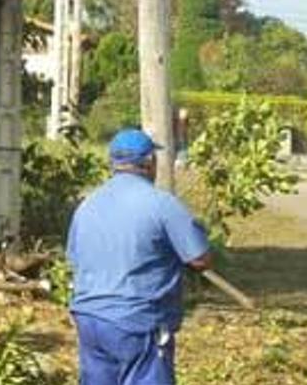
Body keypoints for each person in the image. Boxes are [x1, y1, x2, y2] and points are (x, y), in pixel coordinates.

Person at [66, 128, 212, 385]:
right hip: (136, 323)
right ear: (149, 163)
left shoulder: (87, 205)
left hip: (89, 319)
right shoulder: (162, 204)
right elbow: (200, 259)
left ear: (113, 163)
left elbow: (75, 258)